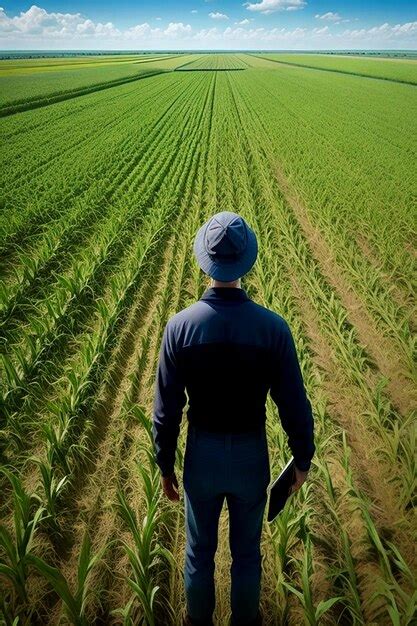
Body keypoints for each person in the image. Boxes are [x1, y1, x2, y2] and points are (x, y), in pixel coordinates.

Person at [152, 211, 315, 626]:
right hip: (249, 455)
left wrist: (165, 463)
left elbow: (166, 409)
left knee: (198, 554)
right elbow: (293, 402)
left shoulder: (179, 328)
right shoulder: (273, 329)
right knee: (247, 555)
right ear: (246, 262)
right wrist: (302, 459)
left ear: (205, 261)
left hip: (201, 455)